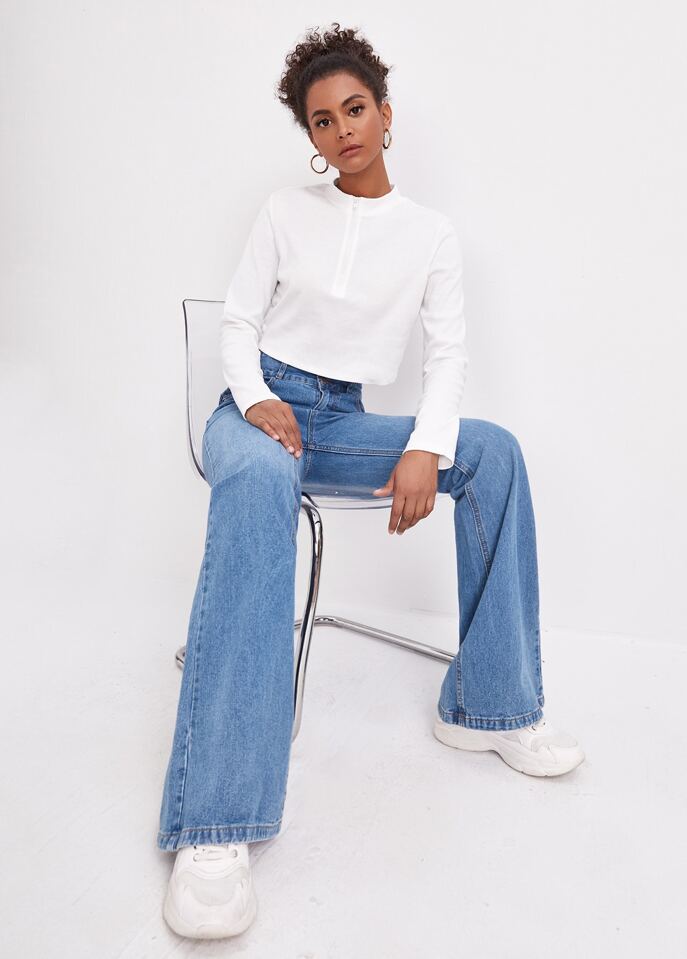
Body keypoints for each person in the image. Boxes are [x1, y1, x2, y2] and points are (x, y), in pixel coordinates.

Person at [158, 22, 585, 940]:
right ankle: (215, 825)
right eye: (322, 119)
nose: (342, 128)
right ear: (310, 137)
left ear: (386, 115)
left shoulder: (431, 236)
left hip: (344, 422)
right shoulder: (284, 211)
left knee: (495, 451)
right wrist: (255, 398)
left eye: (355, 109)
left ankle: (491, 705)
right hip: (257, 411)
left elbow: (449, 354)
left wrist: (428, 443)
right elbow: (238, 323)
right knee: (261, 482)